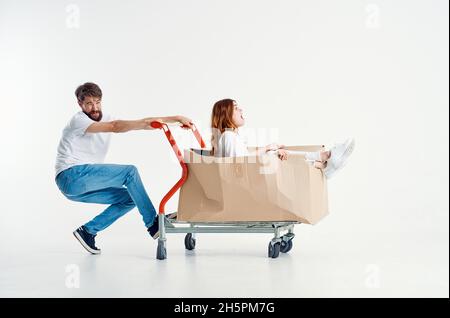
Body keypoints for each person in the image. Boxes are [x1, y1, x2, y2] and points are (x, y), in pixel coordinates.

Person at [55, 82, 192, 254]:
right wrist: (122, 125)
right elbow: (116, 127)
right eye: (89, 104)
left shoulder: (107, 117)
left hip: (76, 186)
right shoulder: (78, 121)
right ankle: (153, 224)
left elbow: (142, 123)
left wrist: (175, 119)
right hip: (71, 175)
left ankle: (88, 231)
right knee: (130, 172)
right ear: (80, 104)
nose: (94, 108)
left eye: (97, 102)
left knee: (129, 198)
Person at [210, 99, 355, 178]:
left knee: (280, 153)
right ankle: (325, 160)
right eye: (236, 108)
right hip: (246, 181)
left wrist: (268, 150)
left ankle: (325, 162)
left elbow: (242, 160)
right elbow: (240, 164)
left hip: (249, 176)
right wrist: (269, 153)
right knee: (279, 157)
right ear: (226, 114)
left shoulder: (230, 136)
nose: (241, 109)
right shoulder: (228, 136)